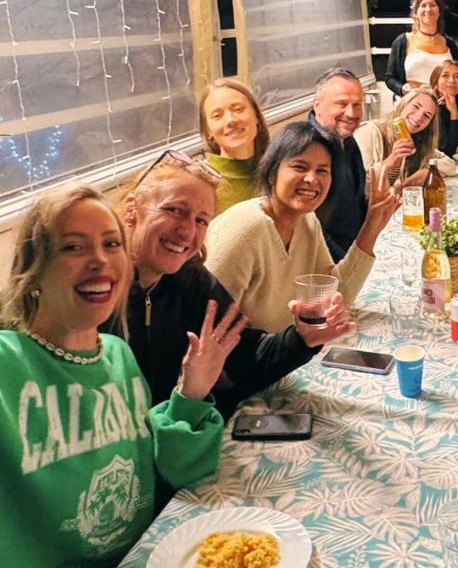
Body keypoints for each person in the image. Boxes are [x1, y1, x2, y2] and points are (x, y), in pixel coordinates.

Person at [0, 184, 236, 568]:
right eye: (73, 247)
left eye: (111, 244)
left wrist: (190, 396)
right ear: (33, 270)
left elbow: (172, 472)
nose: (99, 260)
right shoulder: (7, 364)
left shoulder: (117, 356)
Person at [109, 150, 353, 419]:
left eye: (201, 220)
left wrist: (302, 339)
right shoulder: (96, 295)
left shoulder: (192, 281)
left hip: (180, 436)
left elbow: (245, 358)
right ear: (132, 208)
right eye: (174, 210)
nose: (188, 231)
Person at [205, 122, 398, 333]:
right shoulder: (245, 229)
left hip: (289, 350)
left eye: (322, 170)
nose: (311, 179)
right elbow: (205, 323)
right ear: (272, 172)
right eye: (299, 167)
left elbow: (334, 295)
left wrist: (372, 226)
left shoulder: (307, 220)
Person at [309, 68, 368, 261]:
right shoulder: (308, 149)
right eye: (342, 104)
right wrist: (347, 263)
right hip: (326, 265)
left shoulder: (348, 141)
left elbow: (358, 205)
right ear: (317, 105)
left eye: (357, 105)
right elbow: (310, 224)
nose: (351, 113)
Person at [354, 88, 456, 185]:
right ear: (402, 105)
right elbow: (360, 185)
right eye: (416, 106)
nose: (419, 116)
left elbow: (450, 165)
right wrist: (391, 160)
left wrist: (427, 171)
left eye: (427, 115)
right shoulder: (368, 133)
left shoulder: (417, 139)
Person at [198, 77, 270, 212]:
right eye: (217, 116)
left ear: (257, 117)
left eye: (238, 109)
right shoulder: (202, 182)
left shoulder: (278, 168)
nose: (230, 120)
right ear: (208, 131)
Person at [385, 0, 458, 96]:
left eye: (432, 5)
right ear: (415, 13)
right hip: (412, 104)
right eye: (423, 5)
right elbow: (389, 78)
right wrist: (402, 89)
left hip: (443, 106)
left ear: (439, 12)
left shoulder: (450, 44)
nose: (428, 9)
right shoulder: (402, 41)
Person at [429, 60, 458, 157]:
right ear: (435, 83)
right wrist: (454, 114)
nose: (452, 80)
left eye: (457, 77)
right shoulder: (430, 106)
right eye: (445, 75)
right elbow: (447, 150)